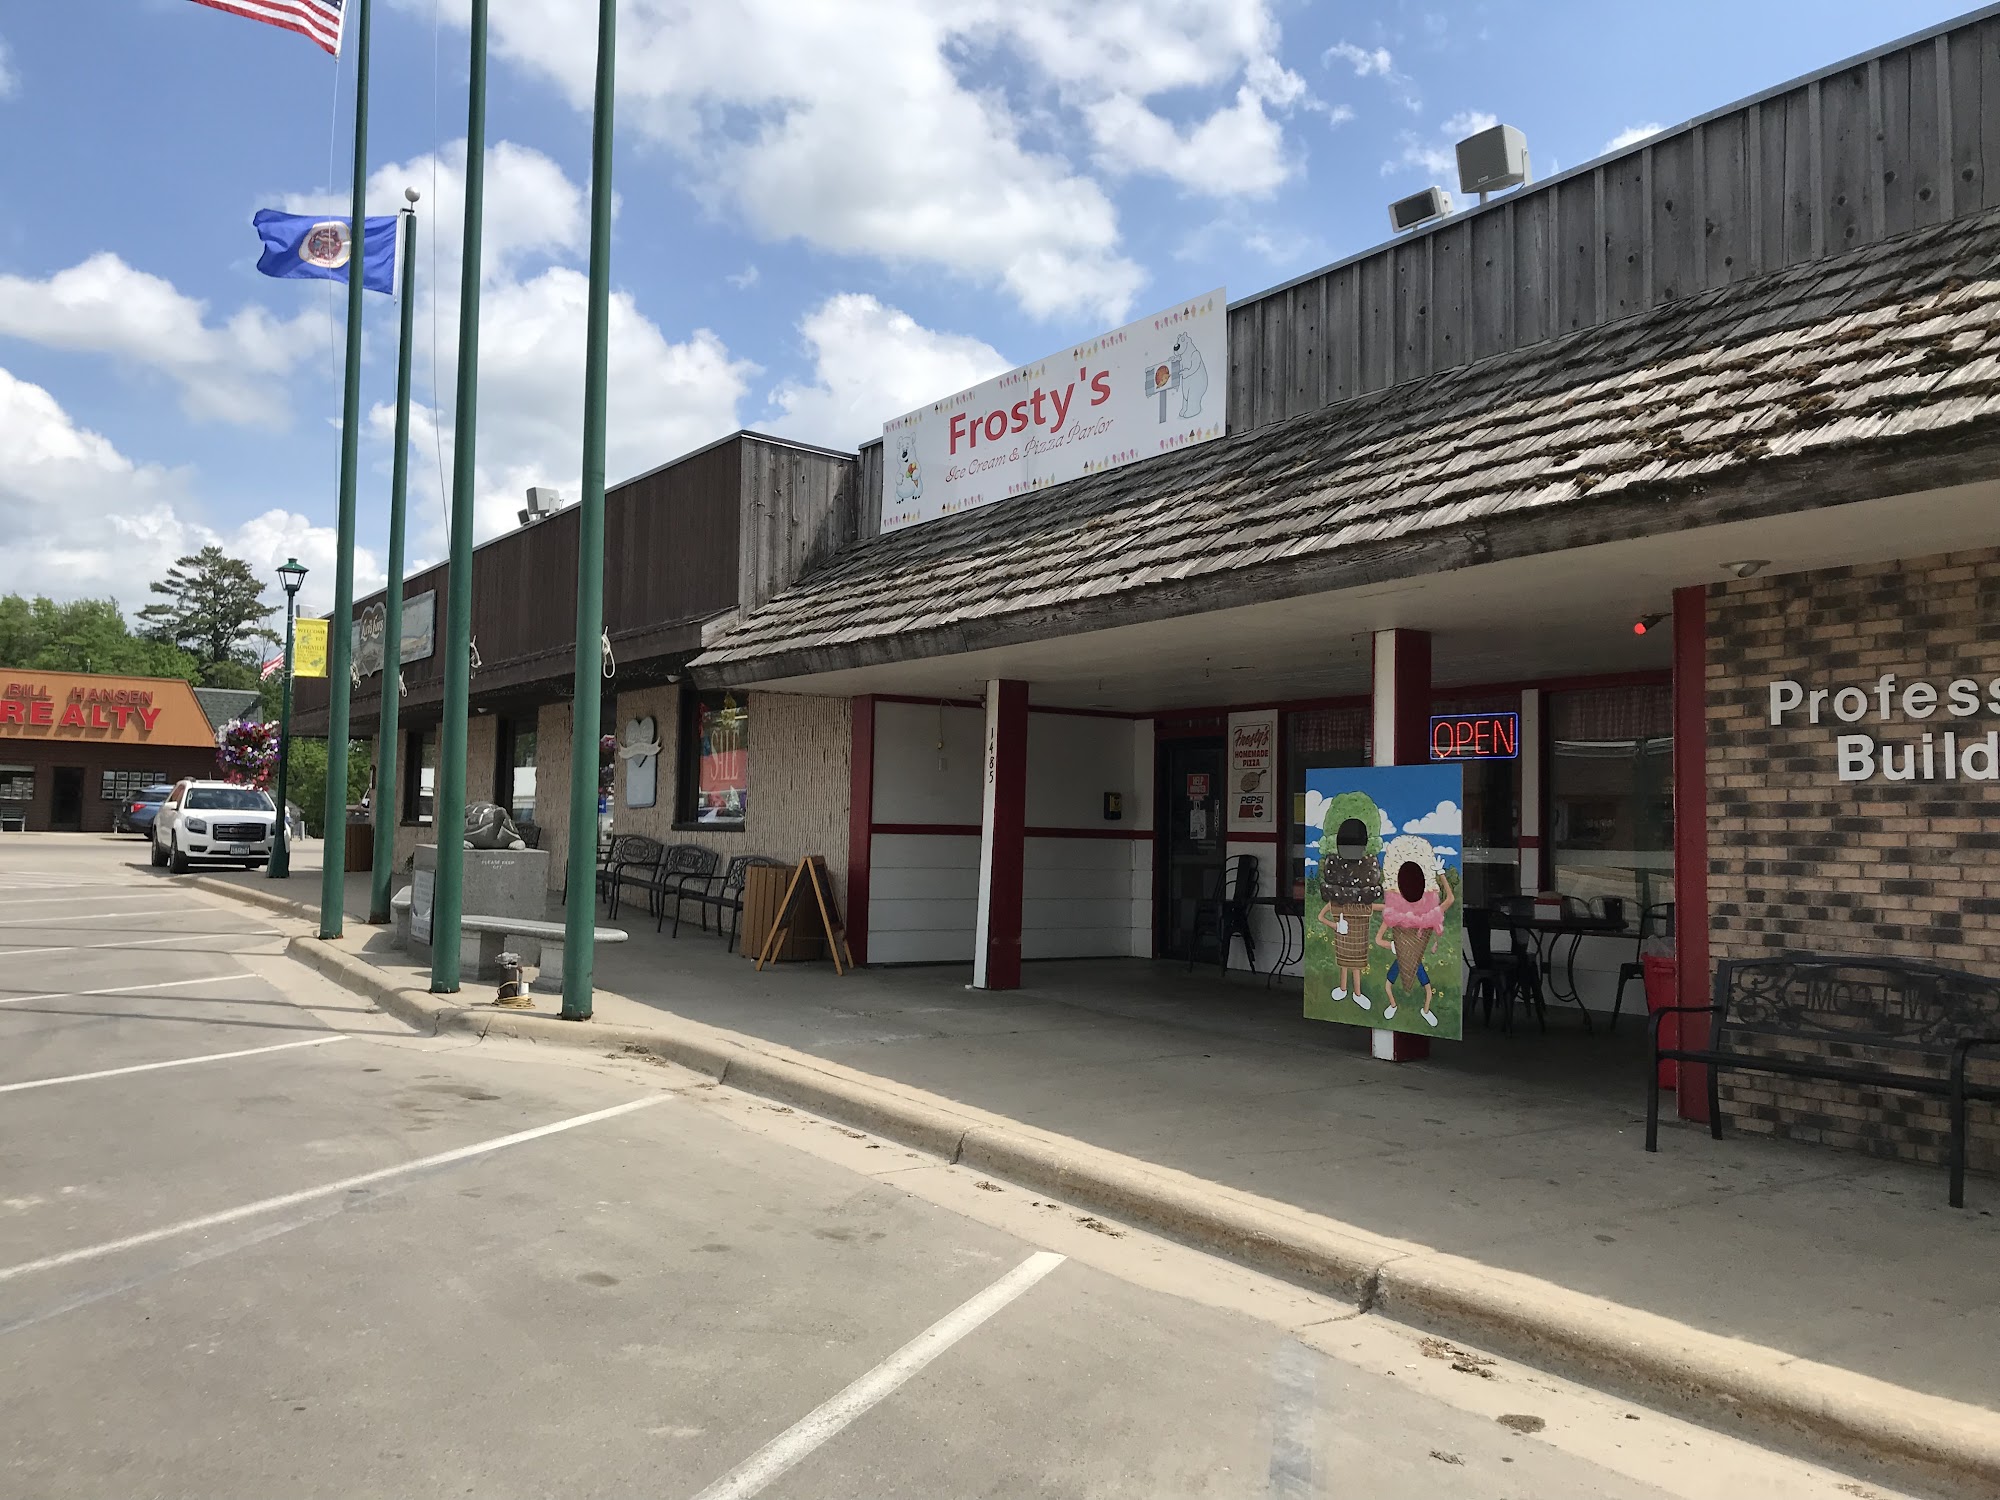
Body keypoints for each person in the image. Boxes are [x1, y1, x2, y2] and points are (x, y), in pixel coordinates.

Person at [1374, 834, 1456, 1028]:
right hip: (1400, 959)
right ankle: (1393, 1005)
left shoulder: (1429, 914)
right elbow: (1378, 939)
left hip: (1415, 960)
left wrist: (1441, 873)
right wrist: (1393, 946)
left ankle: (1425, 1011)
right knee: (1388, 985)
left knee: (1428, 988)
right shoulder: (1393, 915)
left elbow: (1450, 899)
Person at [1315, 817, 1382, 1010]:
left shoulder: (1366, 866)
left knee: (1356, 959)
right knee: (1345, 959)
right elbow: (1322, 913)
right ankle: (1344, 989)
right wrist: (1336, 925)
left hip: (1355, 924)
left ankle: (1357, 993)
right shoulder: (1337, 871)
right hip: (1343, 926)